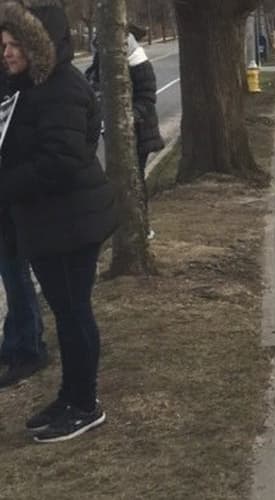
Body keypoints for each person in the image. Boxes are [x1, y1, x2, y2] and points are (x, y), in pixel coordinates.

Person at [0, 0, 118, 443]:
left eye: (16, 44)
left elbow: (64, 158)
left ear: (37, 44)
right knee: (65, 312)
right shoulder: (25, 85)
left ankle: (85, 404)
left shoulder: (60, 86)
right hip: (48, 221)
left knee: (73, 313)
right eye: (4, 43)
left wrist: (6, 184)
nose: (7, 52)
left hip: (72, 222)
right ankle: (69, 396)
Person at [86, 30, 163, 237]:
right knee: (120, 179)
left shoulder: (138, 63)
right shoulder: (101, 62)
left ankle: (141, 227)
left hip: (139, 131)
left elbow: (147, 96)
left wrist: (128, 119)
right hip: (114, 132)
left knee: (134, 179)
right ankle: (122, 225)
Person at [0, 63, 47, 389]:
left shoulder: (16, 86)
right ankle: (14, 341)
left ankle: (30, 348)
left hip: (11, 196)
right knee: (11, 273)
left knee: (15, 273)